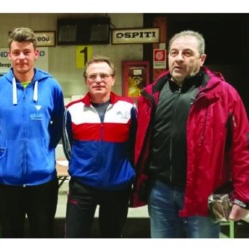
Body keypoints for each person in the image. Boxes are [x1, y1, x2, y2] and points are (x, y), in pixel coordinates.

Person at [131, 30, 249, 238]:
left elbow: (242, 148)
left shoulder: (224, 95)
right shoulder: (151, 95)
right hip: (160, 192)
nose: (178, 58)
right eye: (174, 52)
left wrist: (243, 197)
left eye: (187, 53)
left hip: (204, 193)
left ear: (201, 59)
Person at [0, 27, 65, 238]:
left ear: (36, 54)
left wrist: (44, 147)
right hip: (5, 180)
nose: (21, 57)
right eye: (17, 52)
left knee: (43, 234)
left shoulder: (52, 86)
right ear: (9, 55)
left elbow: (59, 122)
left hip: (43, 181)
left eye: (27, 51)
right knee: (12, 236)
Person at [62, 55, 137, 238]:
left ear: (113, 78)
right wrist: (82, 168)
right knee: (74, 238)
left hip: (118, 187)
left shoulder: (129, 109)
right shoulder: (72, 110)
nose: (98, 80)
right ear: (86, 80)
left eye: (103, 75)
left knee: (111, 237)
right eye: (92, 76)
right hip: (83, 187)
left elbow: (135, 145)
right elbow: (68, 146)